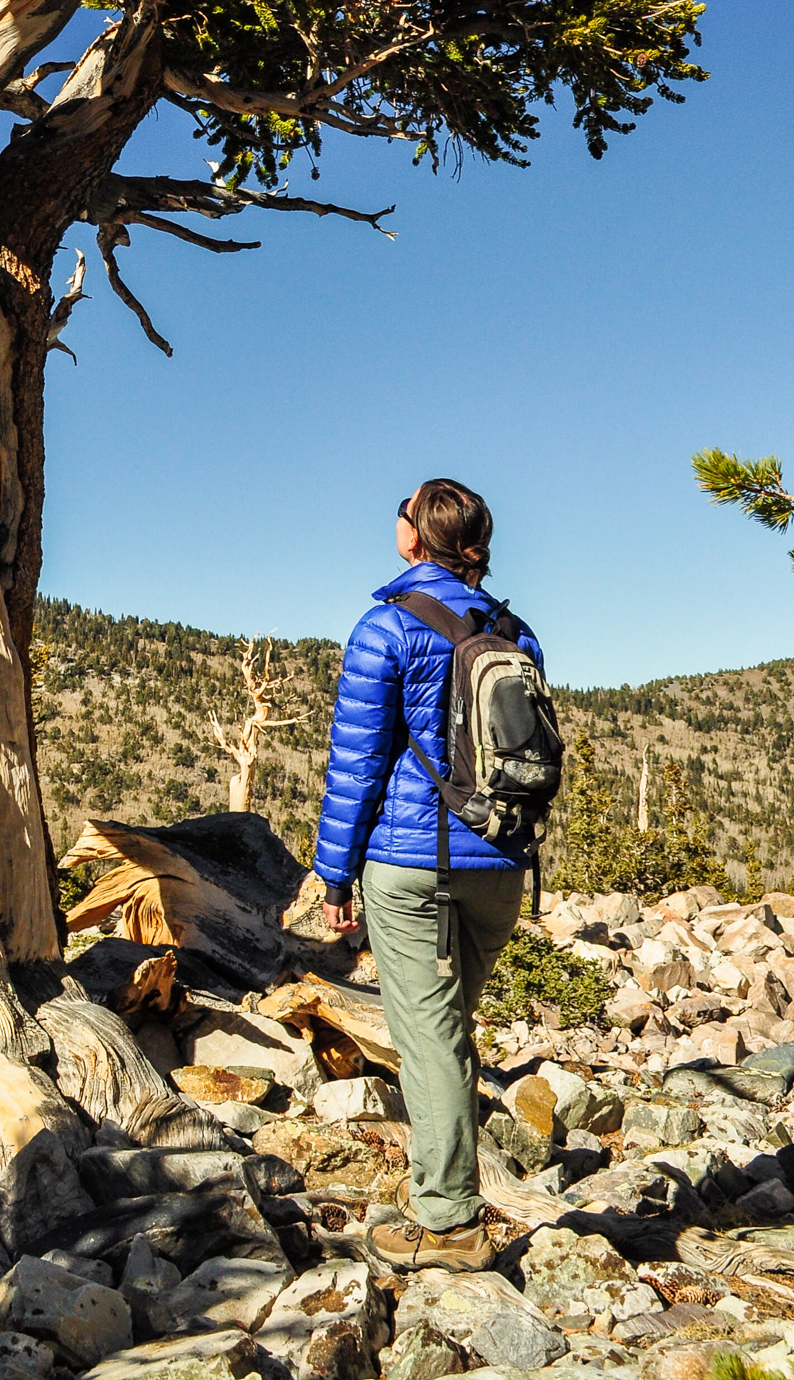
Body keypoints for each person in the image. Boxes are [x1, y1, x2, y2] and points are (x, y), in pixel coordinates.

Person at [313, 478, 542, 1274]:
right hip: (500, 865)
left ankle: (447, 1225)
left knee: (431, 1042)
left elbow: (356, 766)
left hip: (415, 866)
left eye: (401, 513)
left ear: (415, 539)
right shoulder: (516, 633)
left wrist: (333, 877)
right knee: (448, 1031)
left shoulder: (387, 628)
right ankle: (443, 1191)